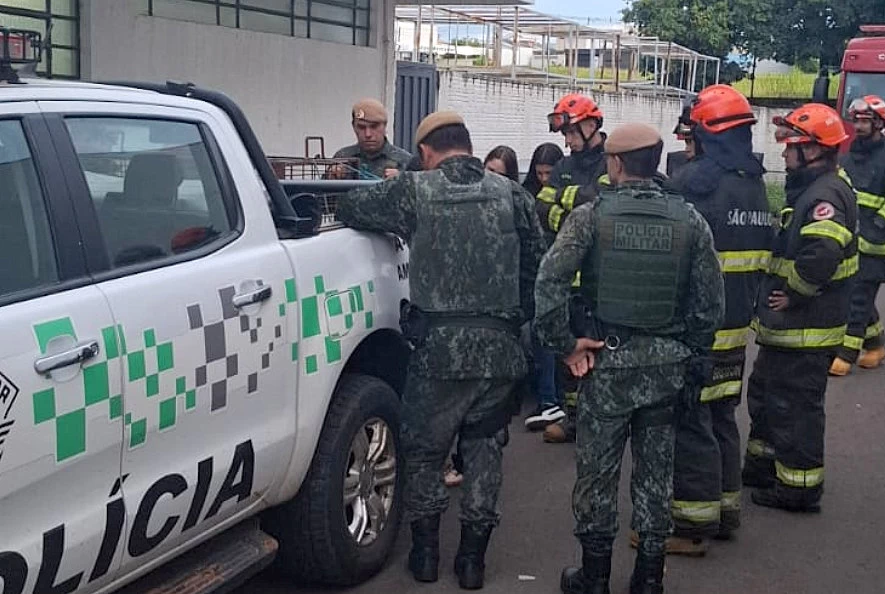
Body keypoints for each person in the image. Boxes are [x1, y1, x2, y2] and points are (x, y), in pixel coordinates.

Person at [337, 111, 547, 589]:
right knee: (485, 451)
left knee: (425, 451)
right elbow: (537, 266)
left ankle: (427, 555)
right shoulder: (513, 194)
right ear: (468, 146)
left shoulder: (415, 189)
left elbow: (351, 209)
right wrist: (512, 320)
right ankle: (472, 562)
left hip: (437, 352)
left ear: (426, 152)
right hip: (499, 349)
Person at [535, 123, 724, 594]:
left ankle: (594, 577)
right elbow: (709, 304)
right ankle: (649, 578)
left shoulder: (590, 217)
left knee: (597, 473)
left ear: (615, 163)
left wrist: (566, 345)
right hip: (666, 368)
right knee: (656, 474)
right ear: (656, 162)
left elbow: (549, 283)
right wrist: (690, 351)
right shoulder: (690, 221)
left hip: (608, 365)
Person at [662, 85, 773, 553]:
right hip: (736, 328)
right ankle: (726, 512)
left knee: (691, 422)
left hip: (697, 330)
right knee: (722, 416)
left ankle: (692, 526)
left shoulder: (695, 183)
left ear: (707, 133)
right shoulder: (754, 184)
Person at [743, 103, 857, 513]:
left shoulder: (825, 195)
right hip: (789, 330)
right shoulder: (812, 188)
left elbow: (822, 253)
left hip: (806, 328)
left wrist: (794, 293)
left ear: (813, 150)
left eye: (791, 145)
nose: (785, 152)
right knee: (767, 396)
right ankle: (764, 467)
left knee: (795, 408)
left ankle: (799, 489)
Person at [536, 94, 609, 445]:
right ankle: (573, 417)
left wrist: (565, 203)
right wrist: (573, 216)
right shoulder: (564, 165)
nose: (567, 141)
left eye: (571, 133)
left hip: (600, 277)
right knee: (568, 351)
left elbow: (601, 202)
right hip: (568, 279)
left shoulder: (612, 161)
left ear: (591, 125)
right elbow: (541, 206)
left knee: (600, 350)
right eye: (564, 134)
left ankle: (599, 420)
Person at [829, 95, 885, 375]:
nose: (859, 126)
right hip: (853, 240)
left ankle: (846, 354)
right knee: (858, 292)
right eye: (857, 121)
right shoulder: (849, 157)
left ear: (879, 124)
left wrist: (877, 225)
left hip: (878, 245)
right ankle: (875, 345)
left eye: (866, 121)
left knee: (858, 297)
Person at [521, 143, 567, 432]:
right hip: (535, 276)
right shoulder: (526, 195)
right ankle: (548, 399)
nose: (544, 179)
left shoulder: (563, 192)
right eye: (539, 173)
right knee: (541, 341)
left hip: (560, 278)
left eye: (549, 173)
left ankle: (552, 400)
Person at [329, 98, 412, 180]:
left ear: (385, 126)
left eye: (374, 127)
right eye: (361, 127)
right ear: (354, 127)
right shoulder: (342, 157)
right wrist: (332, 177)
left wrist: (402, 180)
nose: (368, 134)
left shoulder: (405, 161)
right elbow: (324, 188)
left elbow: (416, 188)